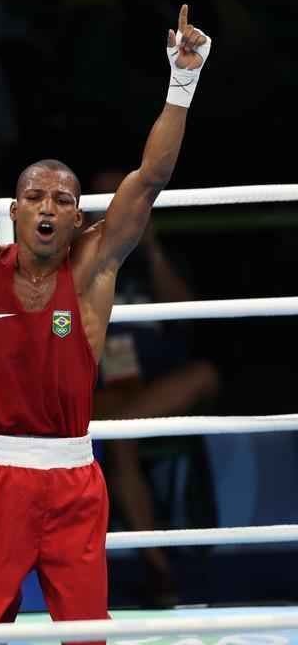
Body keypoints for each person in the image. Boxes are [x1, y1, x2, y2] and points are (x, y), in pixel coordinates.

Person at [0, 6, 211, 630]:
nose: (48, 206)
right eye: (34, 197)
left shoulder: (94, 266)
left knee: (84, 634)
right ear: (16, 211)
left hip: (72, 477)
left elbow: (151, 176)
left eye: (63, 199)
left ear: (78, 218)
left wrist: (181, 81)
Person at [88, 169, 220, 606]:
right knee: (120, 436)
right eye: (107, 199)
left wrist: (152, 246)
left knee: (204, 373)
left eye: (121, 196)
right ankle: (158, 569)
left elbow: (189, 316)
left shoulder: (153, 260)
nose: (117, 207)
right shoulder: (82, 260)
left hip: (158, 390)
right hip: (106, 398)